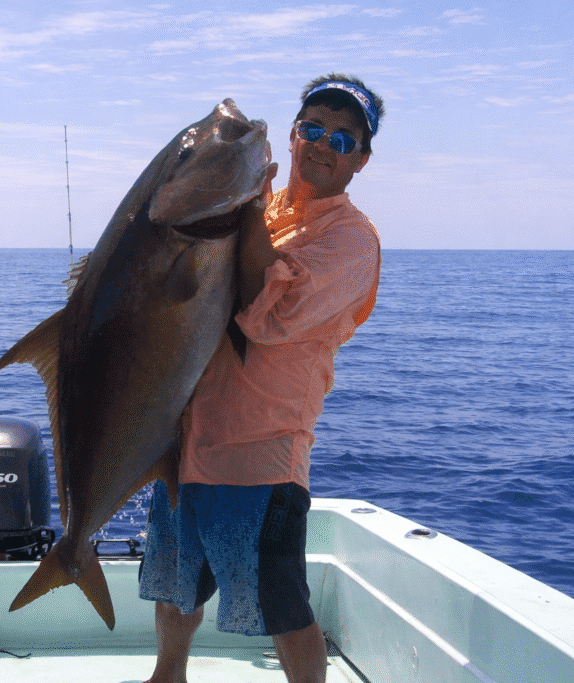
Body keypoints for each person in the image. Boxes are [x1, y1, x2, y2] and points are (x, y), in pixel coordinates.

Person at [138, 74, 385, 683]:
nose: (325, 144)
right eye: (314, 128)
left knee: (283, 603)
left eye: (344, 137)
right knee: (176, 586)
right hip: (187, 438)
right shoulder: (261, 207)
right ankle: (167, 676)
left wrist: (242, 204)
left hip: (262, 451)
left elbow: (269, 318)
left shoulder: (351, 240)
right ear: (295, 137)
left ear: (362, 159)